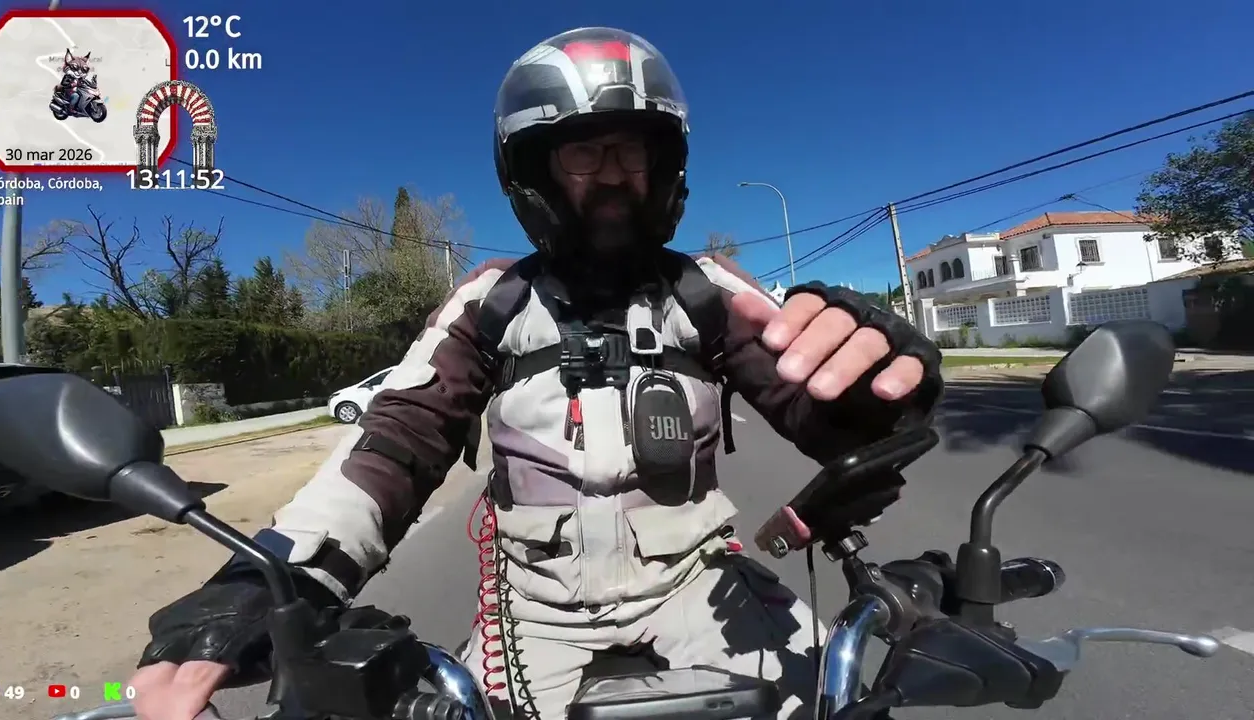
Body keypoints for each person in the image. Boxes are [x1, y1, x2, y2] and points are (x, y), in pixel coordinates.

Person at [128, 27, 943, 720]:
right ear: (535, 174)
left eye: (631, 148)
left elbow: (817, 398)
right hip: (536, 612)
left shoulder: (705, 290)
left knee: (836, 699)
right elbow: (394, 445)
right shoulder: (492, 301)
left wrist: (882, 379)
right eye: (583, 151)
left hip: (700, 585)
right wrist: (263, 582)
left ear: (664, 167)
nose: (612, 173)